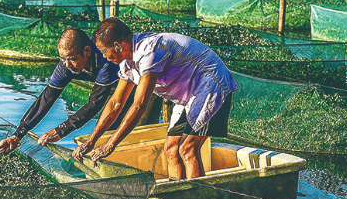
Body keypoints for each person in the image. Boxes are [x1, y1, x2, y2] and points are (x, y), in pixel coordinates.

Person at [75, 17, 236, 180]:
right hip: (188, 96)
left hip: (211, 86)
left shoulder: (149, 51)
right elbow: (116, 103)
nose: (105, 56)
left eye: (104, 51)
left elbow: (139, 105)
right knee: (171, 150)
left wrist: (110, 145)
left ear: (117, 46)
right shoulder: (127, 62)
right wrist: (91, 141)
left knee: (188, 149)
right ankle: (177, 195)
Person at [0, 27, 120, 154]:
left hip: (131, 82)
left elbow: (95, 103)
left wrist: (60, 130)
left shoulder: (106, 58)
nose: (67, 65)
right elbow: (46, 98)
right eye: (63, 59)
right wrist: (18, 134)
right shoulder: (66, 66)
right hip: (111, 87)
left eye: (72, 59)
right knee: (104, 131)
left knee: (112, 130)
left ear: (87, 51)